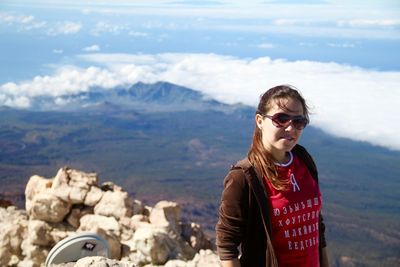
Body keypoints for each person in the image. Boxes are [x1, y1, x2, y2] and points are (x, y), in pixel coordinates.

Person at [215, 85, 329, 267]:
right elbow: (227, 244)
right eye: (281, 119)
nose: (291, 128)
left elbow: (316, 224)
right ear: (260, 121)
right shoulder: (244, 176)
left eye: (298, 121)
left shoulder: (304, 159)